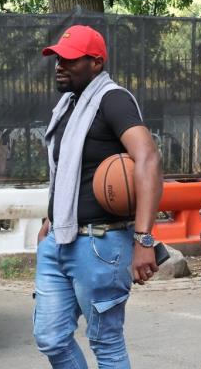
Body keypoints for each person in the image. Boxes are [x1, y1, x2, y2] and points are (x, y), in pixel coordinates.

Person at [33, 25, 163, 368]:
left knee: (105, 343)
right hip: (58, 239)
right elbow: (65, 170)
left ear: (96, 62)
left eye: (71, 59)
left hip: (98, 245)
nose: (60, 64)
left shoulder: (113, 100)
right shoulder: (67, 106)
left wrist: (144, 240)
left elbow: (148, 159)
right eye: (58, 57)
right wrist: (51, 216)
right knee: (50, 337)